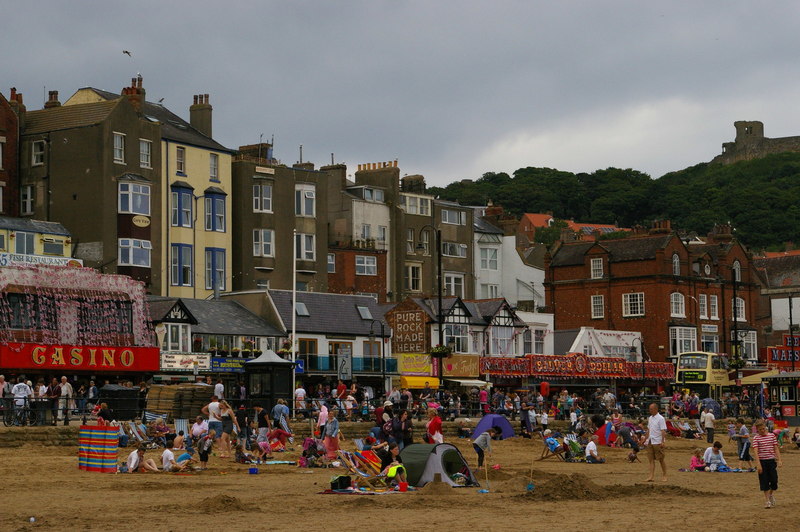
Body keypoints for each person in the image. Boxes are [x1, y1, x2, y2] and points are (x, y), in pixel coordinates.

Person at [752, 419, 782, 508]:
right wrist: (758, 464)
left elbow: (776, 448)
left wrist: (779, 459)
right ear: (757, 430)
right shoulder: (756, 438)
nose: (762, 430)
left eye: (763, 428)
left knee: (774, 481)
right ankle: (767, 501)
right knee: (764, 481)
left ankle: (771, 495)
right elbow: (755, 451)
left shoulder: (772, 436)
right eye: (760, 429)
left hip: (771, 461)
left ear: (765, 427)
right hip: (762, 461)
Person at [643, 402, 668, 482]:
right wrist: (644, 439)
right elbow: (649, 430)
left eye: (651, 409)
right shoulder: (650, 418)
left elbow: (663, 431)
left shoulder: (661, 418)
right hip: (651, 440)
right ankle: (651, 476)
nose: (650, 410)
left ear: (656, 409)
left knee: (661, 459)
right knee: (651, 460)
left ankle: (664, 475)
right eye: (650, 409)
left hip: (657, 441)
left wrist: (662, 441)